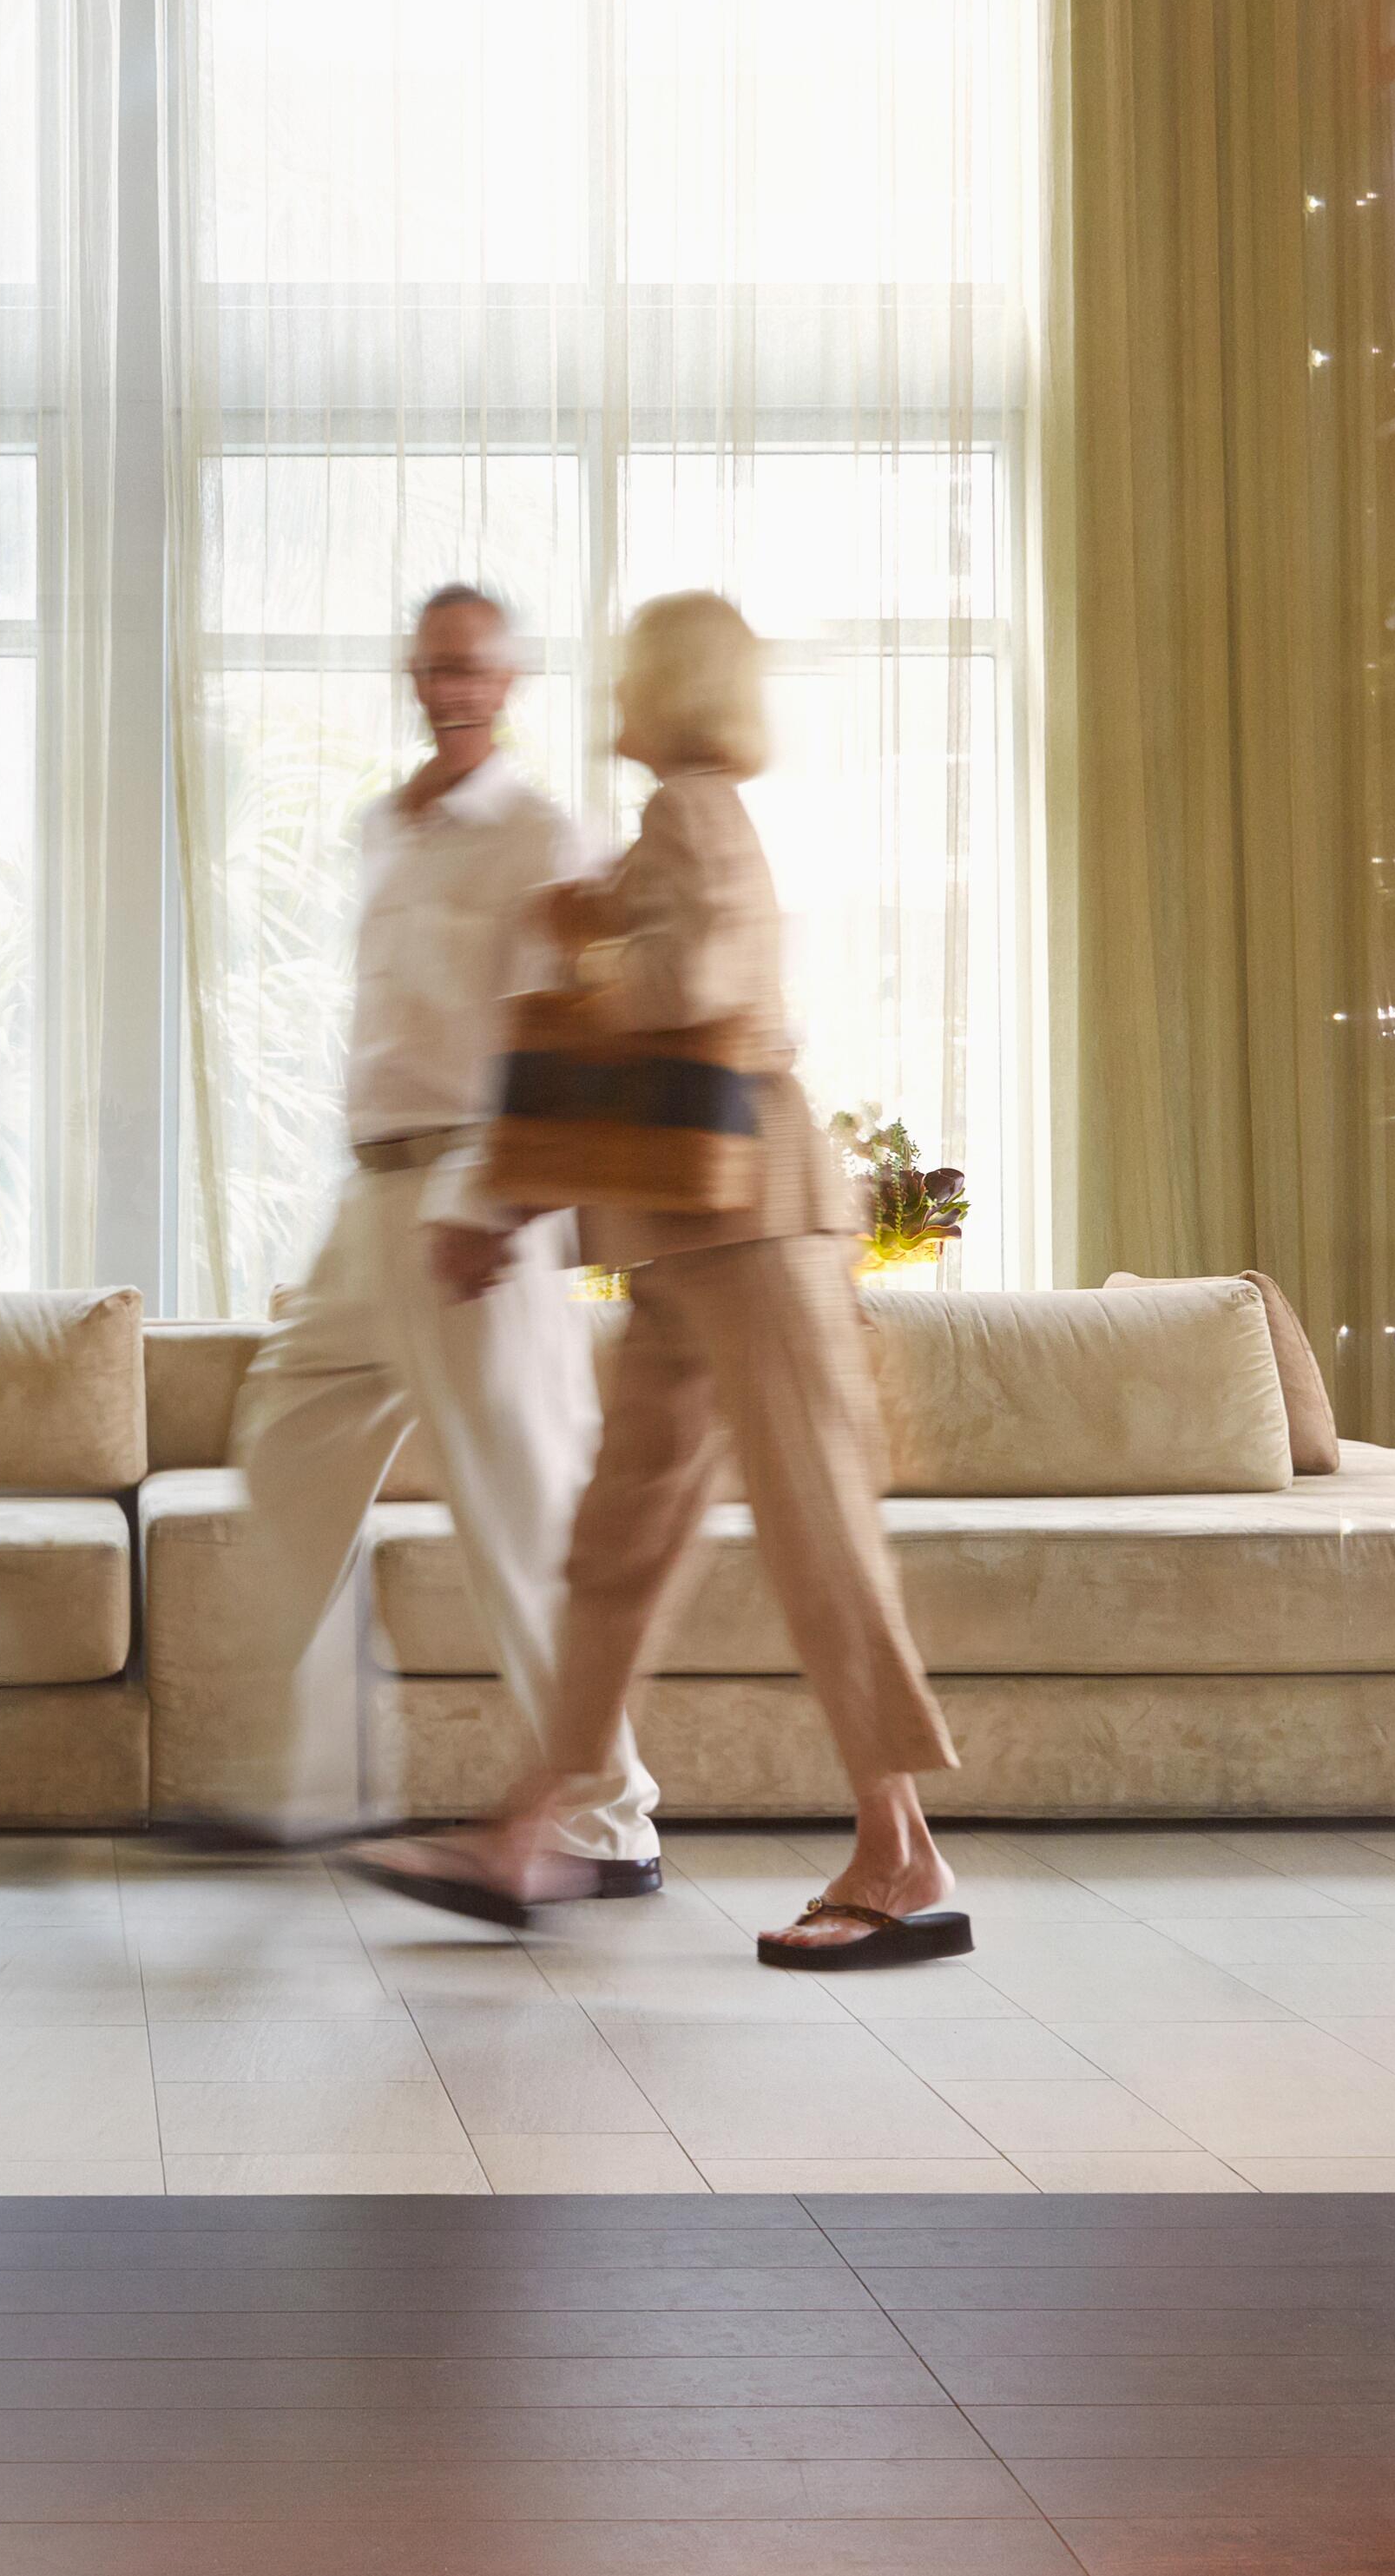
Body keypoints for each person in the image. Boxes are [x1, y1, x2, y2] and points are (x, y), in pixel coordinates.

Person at [343, 590, 971, 1970]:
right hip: (687, 1243)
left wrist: (590, 954)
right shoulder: (667, 826)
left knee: (816, 1537)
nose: (606, 690)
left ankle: (902, 1849)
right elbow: (643, 999)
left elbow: (694, 981)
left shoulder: (693, 806)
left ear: (667, 684)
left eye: (628, 668)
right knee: (616, 1545)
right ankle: (530, 1826)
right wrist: (582, 926)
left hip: (757, 1231)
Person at [175, 584, 666, 1887]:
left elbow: (560, 1040)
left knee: (524, 1514)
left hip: (474, 1205)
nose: (451, 686)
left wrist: (495, 1201)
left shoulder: (542, 835)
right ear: (412, 672)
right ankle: (326, 1784)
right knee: (284, 1437)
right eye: (433, 665)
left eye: (474, 668)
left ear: (509, 682)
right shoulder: (382, 831)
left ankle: (608, 1819)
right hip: (371, 1199)